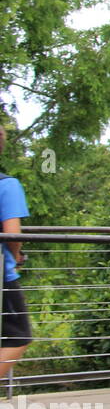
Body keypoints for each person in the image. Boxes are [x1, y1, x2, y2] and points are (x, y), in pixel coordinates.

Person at [0, 125, 32, 380]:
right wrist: (18, 256)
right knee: (18, 336)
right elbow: (13, 234)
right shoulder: (7, 185)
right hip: (2, 277)